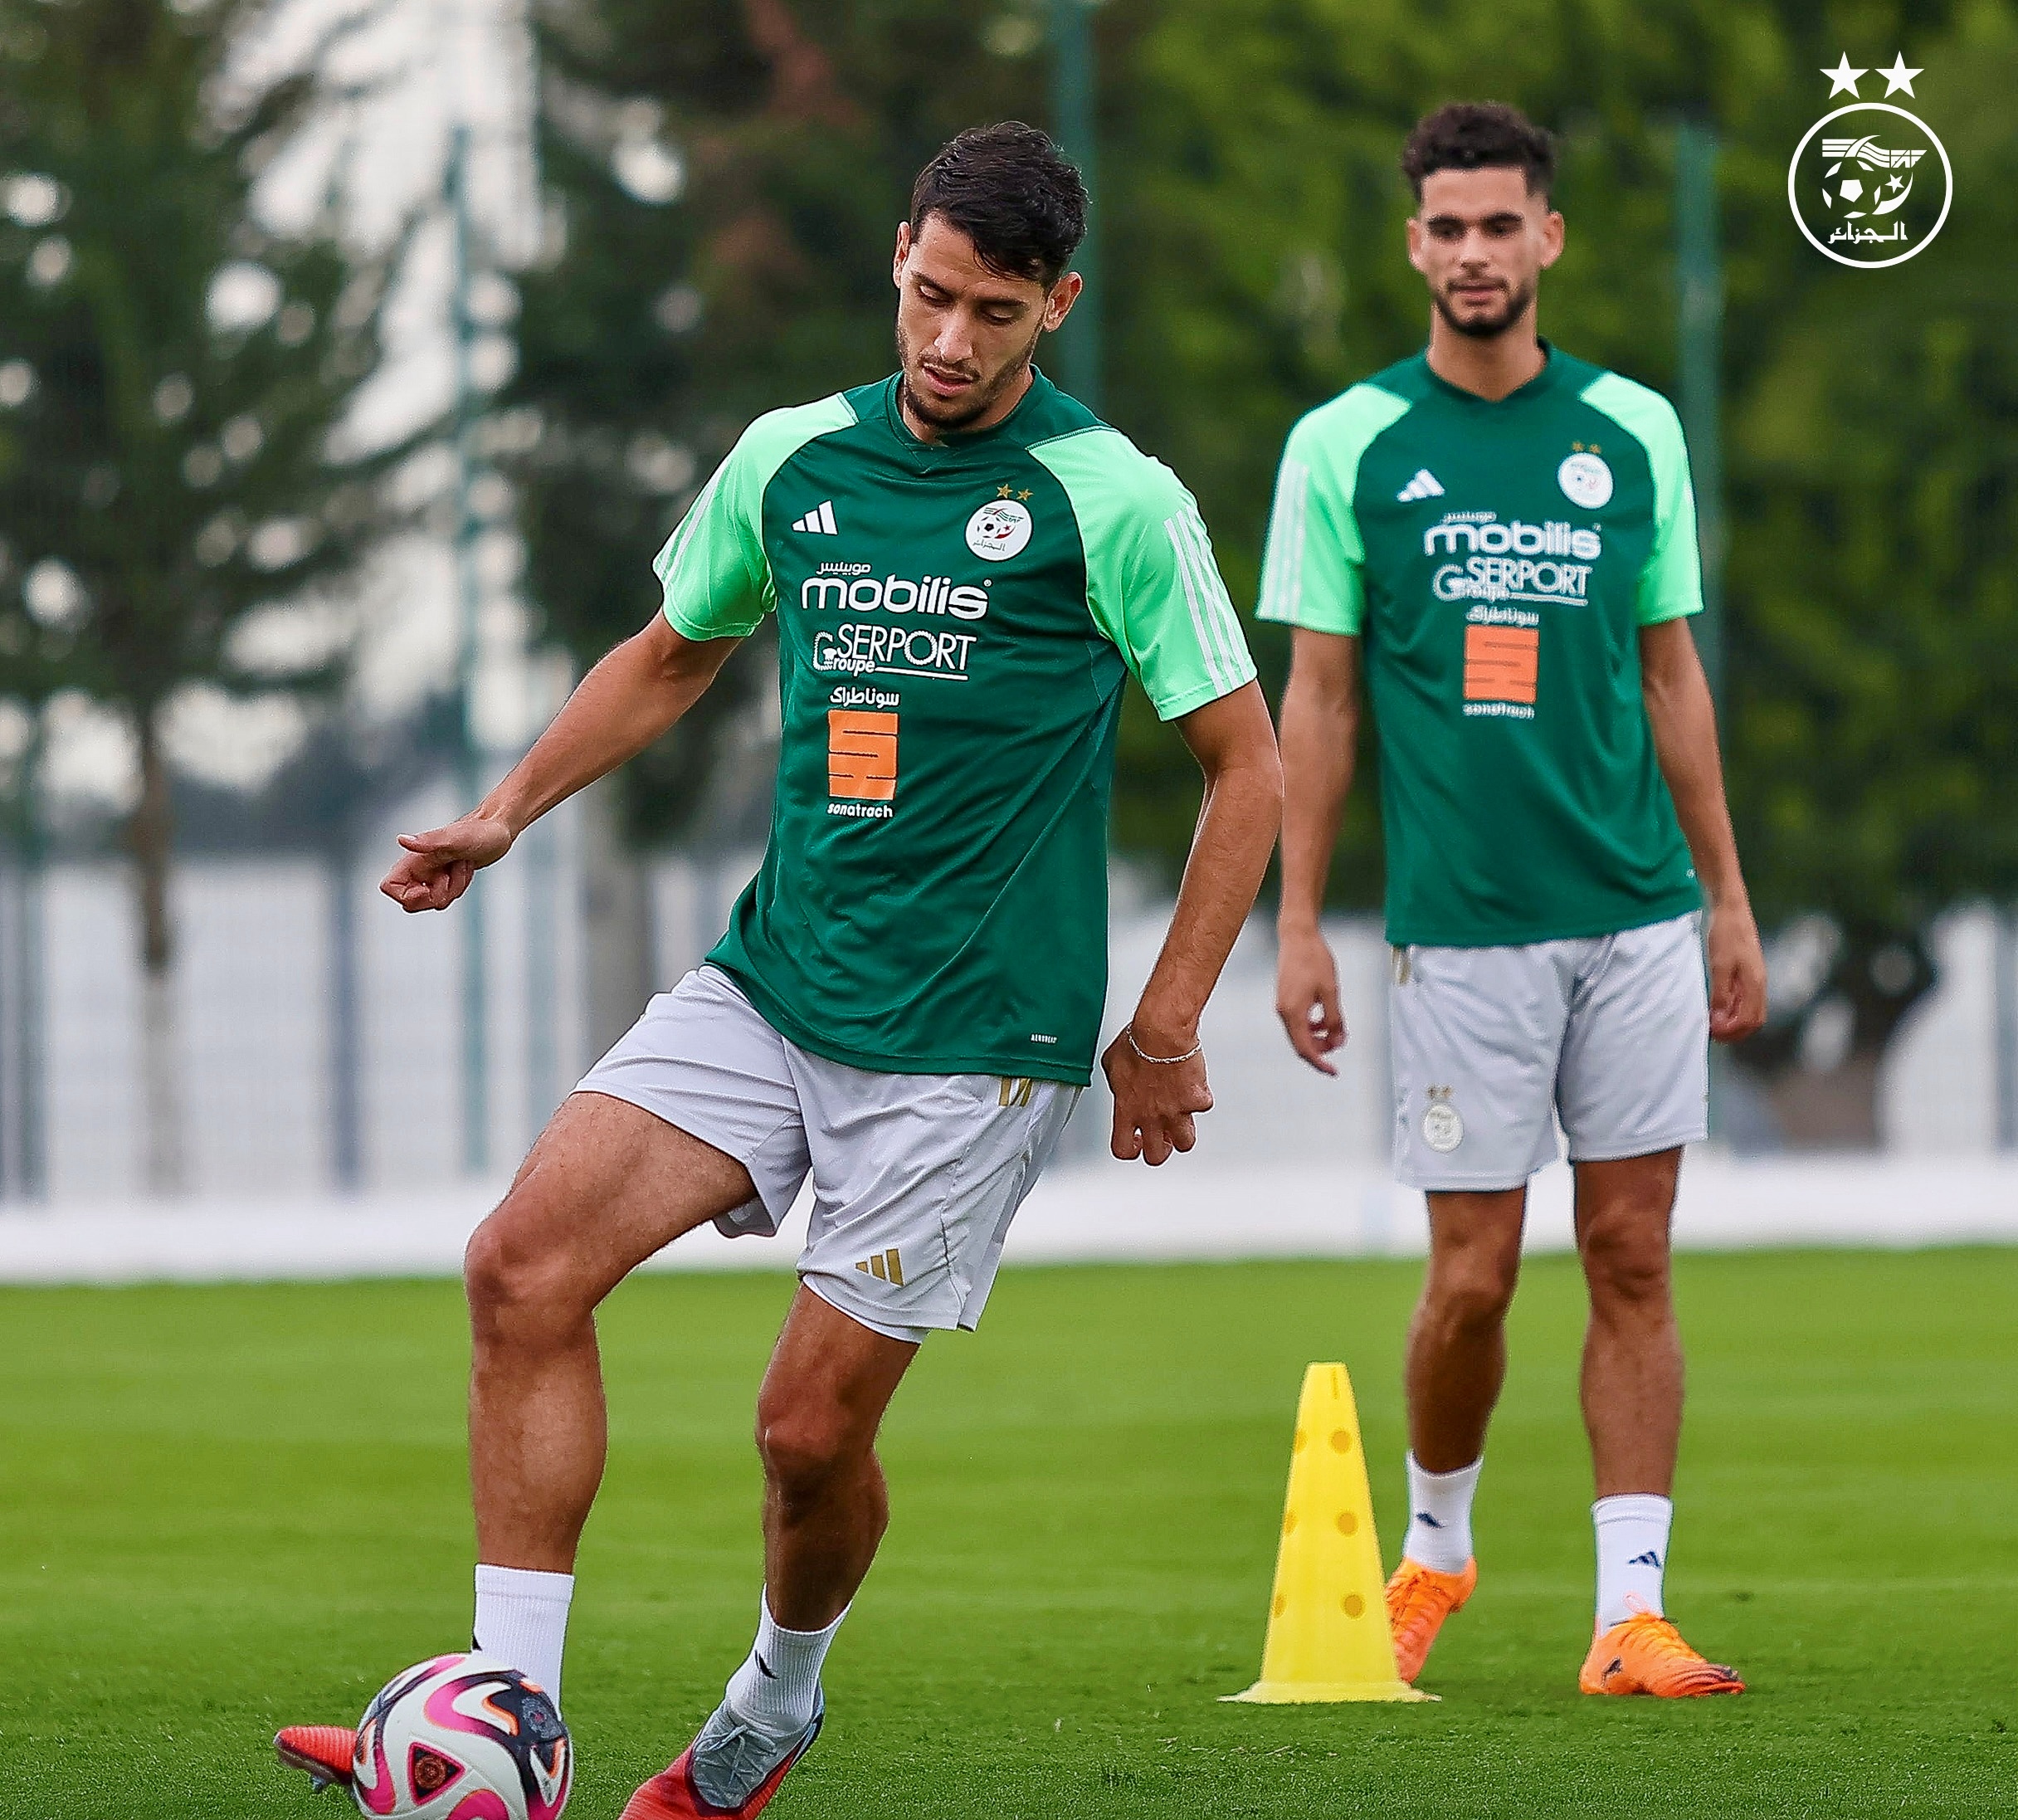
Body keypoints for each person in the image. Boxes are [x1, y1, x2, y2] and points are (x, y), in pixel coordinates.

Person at [273, 121, 1279, 1818]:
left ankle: (768, 1708)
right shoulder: (791, 459)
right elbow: (673, 654)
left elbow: (1248, 768)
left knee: (805, 1436)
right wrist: (505, 809)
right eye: (933, 294)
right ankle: (506, 1720)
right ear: (900, 255)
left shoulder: (1114, 499)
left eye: (997, 313)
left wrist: (1166, 1018)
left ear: (1056, 306)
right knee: (520, 1268)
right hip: (776, 981)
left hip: (971, 1043)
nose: (951, 340)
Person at [1263, 101, 1767, 1698]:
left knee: (1632, 1254)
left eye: (1501, 225)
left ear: (1548, 237)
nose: (1475, 252)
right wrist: (1297, 918)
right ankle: (1436, 1549)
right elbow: (1319, 701)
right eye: (1449, 227)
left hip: (1637, 916)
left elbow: (1671, 673)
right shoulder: (1345, 443)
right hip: (1462, 935)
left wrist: (1727, 897)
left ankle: (1631, 1613)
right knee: (1472, 1276)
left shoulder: (1634, 428)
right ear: (1414, 245)